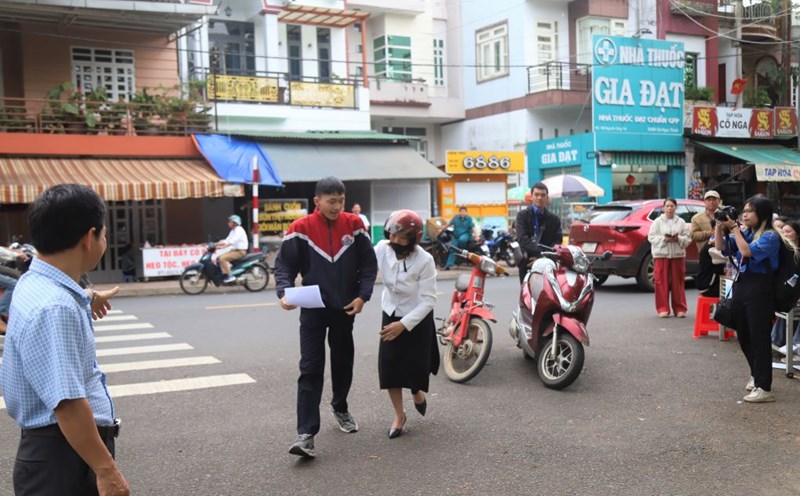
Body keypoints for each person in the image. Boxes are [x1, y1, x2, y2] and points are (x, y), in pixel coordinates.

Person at [0, 183, 129, 496]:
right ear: (89, 238)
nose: (105, 241)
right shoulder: (55, 307)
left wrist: (85, 297)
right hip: (64, 457)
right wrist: (106, 470)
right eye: (104, 234)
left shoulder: (35, 282)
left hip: (54, 452)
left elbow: (55, 300)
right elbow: (68, 405)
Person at [275, 177, 378, 459]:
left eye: (341, 201)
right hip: (312, 310)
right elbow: (284, 265)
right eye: (331, 201)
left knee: (343, 362)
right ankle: (306, 434)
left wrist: (362, 297)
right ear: (317, 201)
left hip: (345, 308)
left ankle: (340, 406)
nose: (337, 206)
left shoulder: (355, 225)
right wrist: (284, 294)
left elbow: (369, 265)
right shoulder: (301, 228)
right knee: (310, 366)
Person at [374, 210, 440, 439]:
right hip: (390, 311)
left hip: (416, 317)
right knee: (389, 366)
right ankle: (399, 415)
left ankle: (416, 390)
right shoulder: (382, 248)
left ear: (414, 239)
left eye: (401, 238)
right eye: (392, 236)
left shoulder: (425, 260)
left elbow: (429, 300)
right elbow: (364, 269)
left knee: (415, 367)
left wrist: (403, 324)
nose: (395, 241)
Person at [714, 195, 784, 403]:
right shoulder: (747, 233)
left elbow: (745, 251)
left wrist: (734, 227)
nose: (744, 214)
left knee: (759, 336)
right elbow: (721, 247)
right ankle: (756, 374)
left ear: (761, 213)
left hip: (760, 288)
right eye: (743, 210)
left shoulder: (770, 237)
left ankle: (765, 387)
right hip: (742, 285)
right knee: (743, 333)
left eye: (749, 211)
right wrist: (719, 225)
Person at [648, 198, 691, 318]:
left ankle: (680, 308)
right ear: (663, 208)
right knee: (661, 281)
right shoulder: (657, 222)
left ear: (675, 208)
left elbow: (688, 238)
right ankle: (663, 308)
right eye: (667, 206)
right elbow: (651, 237)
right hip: (662, 255)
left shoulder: (681, 222)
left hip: (677, 255)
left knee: (679, 282)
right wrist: (664, 239)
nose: (669, 208)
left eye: (672, 206)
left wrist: (678, 239)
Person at [515, 182, 562, 285]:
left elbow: (557, 242)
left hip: (548, 263)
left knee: (548, 295)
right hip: (527, 262)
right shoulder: (522, 216)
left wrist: (542, 258)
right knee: (527, 296)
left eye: (543, 195)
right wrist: (539, 255)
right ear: (531, 196)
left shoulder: (554, 219)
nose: (539, 198)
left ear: (547, 198)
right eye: (536, 194)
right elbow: (523, 239)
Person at [770, 220, 800, 352]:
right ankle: (779, 339)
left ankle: (794, 344)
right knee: (785, 302)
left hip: (793, 293)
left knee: (788, 302)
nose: (785, 235)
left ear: (797, 234)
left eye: (788, 231)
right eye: (783, 232)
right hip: (785, 292)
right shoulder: (782, 252)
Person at [216, 214, 248, 283]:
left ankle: (230, 276)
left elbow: (233, 241)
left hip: (240, 251)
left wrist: (225, 246)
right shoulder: (233, 231)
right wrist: (215, 244)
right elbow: (226, 240)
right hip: (234, 251)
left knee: (222, 258)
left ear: (234, 223)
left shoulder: (239, 230)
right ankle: (226, 273)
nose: (228, 223)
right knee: (219, 258)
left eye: (230, 222)